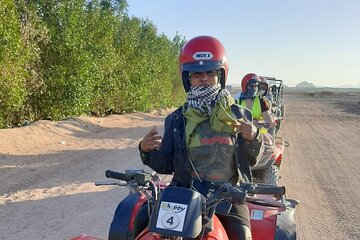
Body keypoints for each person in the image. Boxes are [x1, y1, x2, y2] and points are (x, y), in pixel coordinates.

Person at [139, 36, 264, 240]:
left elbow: (251, 161)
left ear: (220, 76)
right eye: (197, 73)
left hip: (228, 198)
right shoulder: (177, 119)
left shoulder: (240, 115)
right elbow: (167, 163)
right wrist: (146, 151)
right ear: (188, 78)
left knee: (242, 236)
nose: (204, 78)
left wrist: (254, 137)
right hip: (183, 194)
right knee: (141, 224)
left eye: (210, 72)